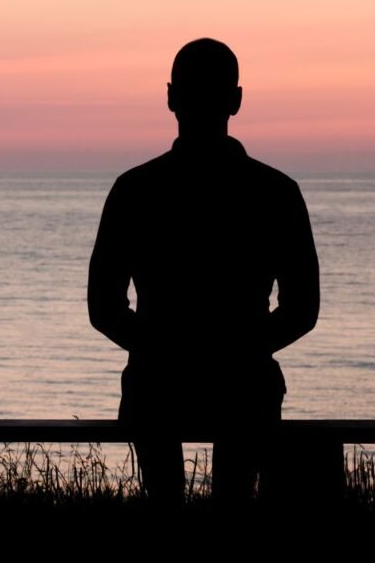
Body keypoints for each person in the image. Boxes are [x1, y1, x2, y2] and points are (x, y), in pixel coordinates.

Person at [87, 38, 320, 505]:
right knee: (235, 496)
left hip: (157, 383)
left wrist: (159, 346)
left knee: (164, 498)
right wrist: (242, 346)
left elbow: (104, 307)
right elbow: (301, 309)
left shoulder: (134, 190)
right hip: (243, 383)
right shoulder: (276, 192)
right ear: (235, 100)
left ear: (171, 97)